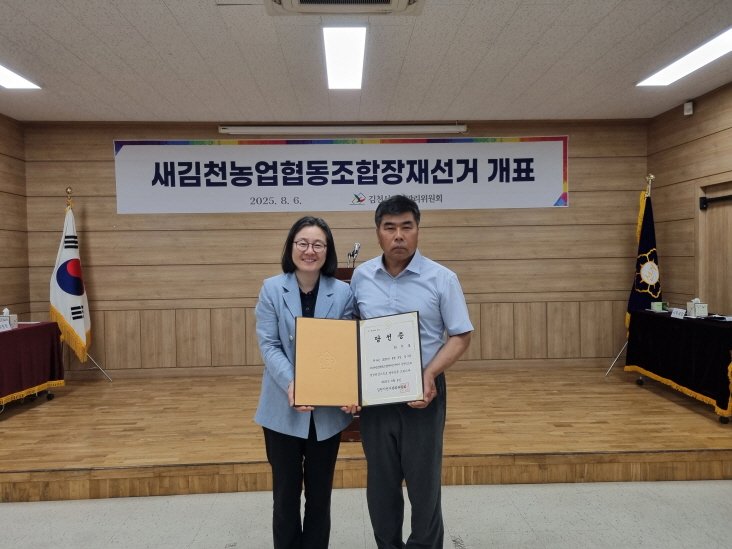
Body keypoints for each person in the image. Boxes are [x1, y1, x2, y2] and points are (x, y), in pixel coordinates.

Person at [350, 195, 473, 549]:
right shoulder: (361, 277)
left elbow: (461, 335)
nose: (399, 235)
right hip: (375, 395)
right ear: (378, 233)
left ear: (418, 230)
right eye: (390, 228)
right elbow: (350, 331)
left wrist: (429, 373)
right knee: (381, 483)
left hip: (424, 391)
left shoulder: (442, 278)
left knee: (424, 485)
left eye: (407, 226)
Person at [254, 216, 355, 549]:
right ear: (291, 247)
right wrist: (293, 382)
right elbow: (269, 345)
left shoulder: (343, 292)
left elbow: (346, 346)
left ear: (328, 251)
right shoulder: (272, 288)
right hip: (282, 408)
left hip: (326, 411)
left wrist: (349, 387)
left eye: (318, 244)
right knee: (284, 496)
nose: (309, 251)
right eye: (303, 243)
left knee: (320, 496)